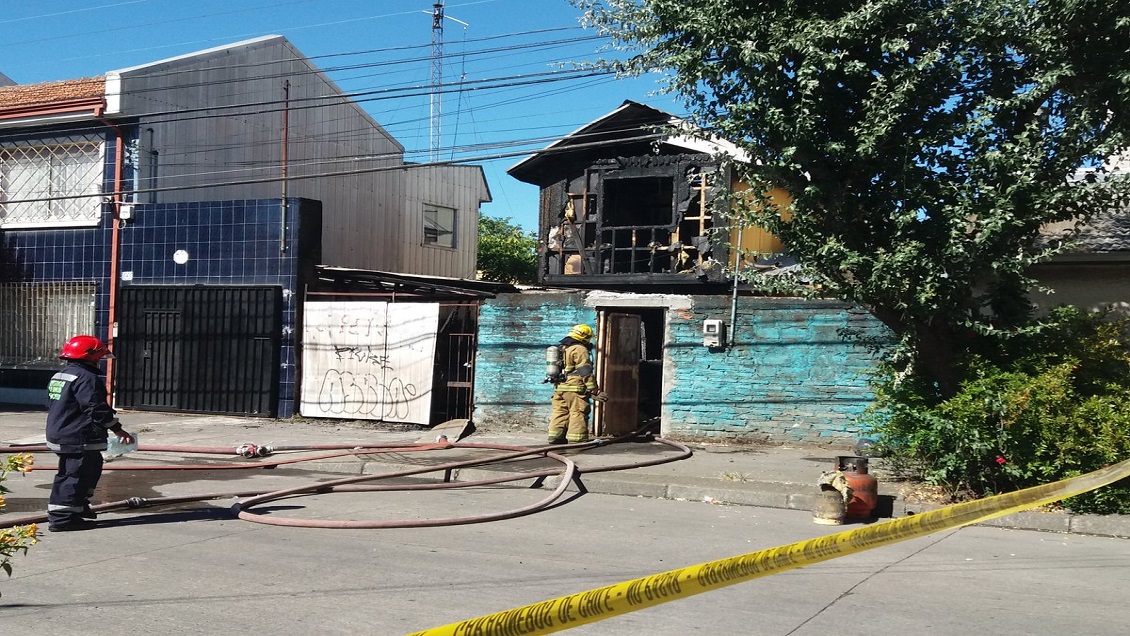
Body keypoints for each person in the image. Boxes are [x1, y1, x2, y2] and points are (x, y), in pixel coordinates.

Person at [45, 335, 133, 532]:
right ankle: (62, 518)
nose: (100, 360)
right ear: (90, 356)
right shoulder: (87, 378)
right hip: (78, 436)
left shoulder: (61, 375)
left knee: (90, 468)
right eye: (99, 356)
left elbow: (51, 403)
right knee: (74, 476)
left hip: (63, 431)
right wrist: (117, 429)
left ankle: (78, 506)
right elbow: (96, 408)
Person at [547, 324, 599, 444]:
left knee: (560, 412)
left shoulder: (562, 347)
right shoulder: (579, 349)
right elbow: (584, 370)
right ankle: (577, 439)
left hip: (559, 387)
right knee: (578, 412)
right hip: (574, 388)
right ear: (584, 337)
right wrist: (593, 388)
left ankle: (555, 437)